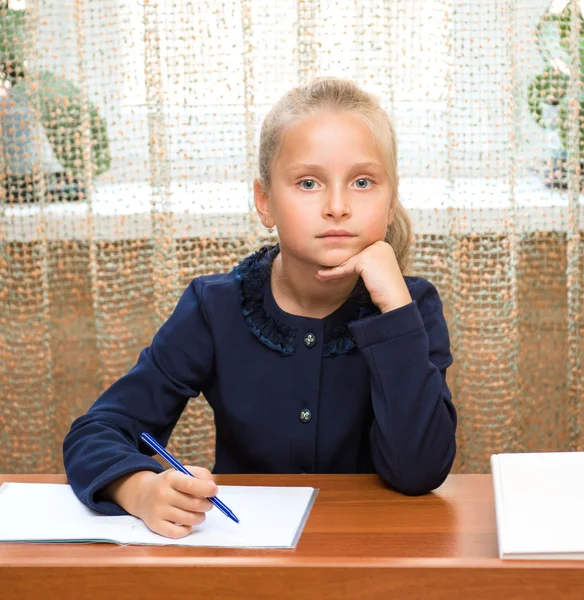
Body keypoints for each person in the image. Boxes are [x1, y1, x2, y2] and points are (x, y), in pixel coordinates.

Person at [63, 76, 457, 539]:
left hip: (372, 551)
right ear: (265, 201)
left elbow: (418, 470)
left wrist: (393, 310)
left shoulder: (414, 307)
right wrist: (138, 488)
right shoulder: (215, 307)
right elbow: (97, 431)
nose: (337, 206)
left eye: (363, 182)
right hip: (247, 557)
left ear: (390, 204)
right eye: (308, 182)